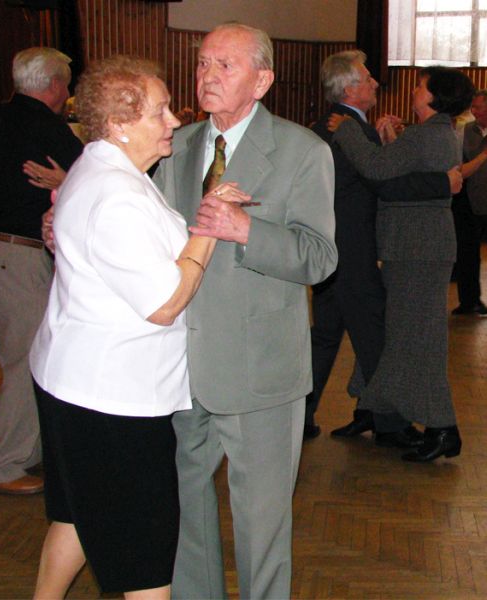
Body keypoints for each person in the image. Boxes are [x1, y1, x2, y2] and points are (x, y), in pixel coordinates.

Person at [29, 55, 248, 599]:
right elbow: (165, 303)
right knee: (146, 553)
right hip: (111, 401)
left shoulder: (104, 167)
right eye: (160, 111)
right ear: (120, 124)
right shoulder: (116, 194)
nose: (174, 120)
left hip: (74, 380)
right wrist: (209, 223)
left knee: (78, 516)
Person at [154, 23, 337, 600]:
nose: (207, 76)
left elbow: (320, 257)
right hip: (182, 366)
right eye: (203, 63)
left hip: (261, 372)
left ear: (262, 81)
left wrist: (247, 230)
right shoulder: (178, 145)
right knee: (185, 515)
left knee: (261, 529)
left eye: (224, 65)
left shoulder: (303, 151)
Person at [306, 50, 457, 444]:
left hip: (331, 250)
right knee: (375, 335)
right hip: (353, 252)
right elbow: (383, 182)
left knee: (326, 335)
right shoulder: (344, 130)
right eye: (368, 78)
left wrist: (385, 143)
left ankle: (306, 417)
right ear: (349, 88)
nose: (376, 83)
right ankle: (390, 424)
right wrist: (444, 183)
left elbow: (379, 171)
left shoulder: (327, 127)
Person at [0, 47, 83, 495]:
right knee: (28, 360)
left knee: (12, 356)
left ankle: (22, 451)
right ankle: (4, 463)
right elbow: (91, 185)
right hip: (20, 255)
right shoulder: (50, 130)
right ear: (54, 85)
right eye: (65, 84)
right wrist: (68, 181)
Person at [452, 89, 487, 316]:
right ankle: (469, 302)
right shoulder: (464, 131)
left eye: (478, 107)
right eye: (472, 107)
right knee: (468, 254)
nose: (474, 111)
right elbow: (458, 166)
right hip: (470, 202)